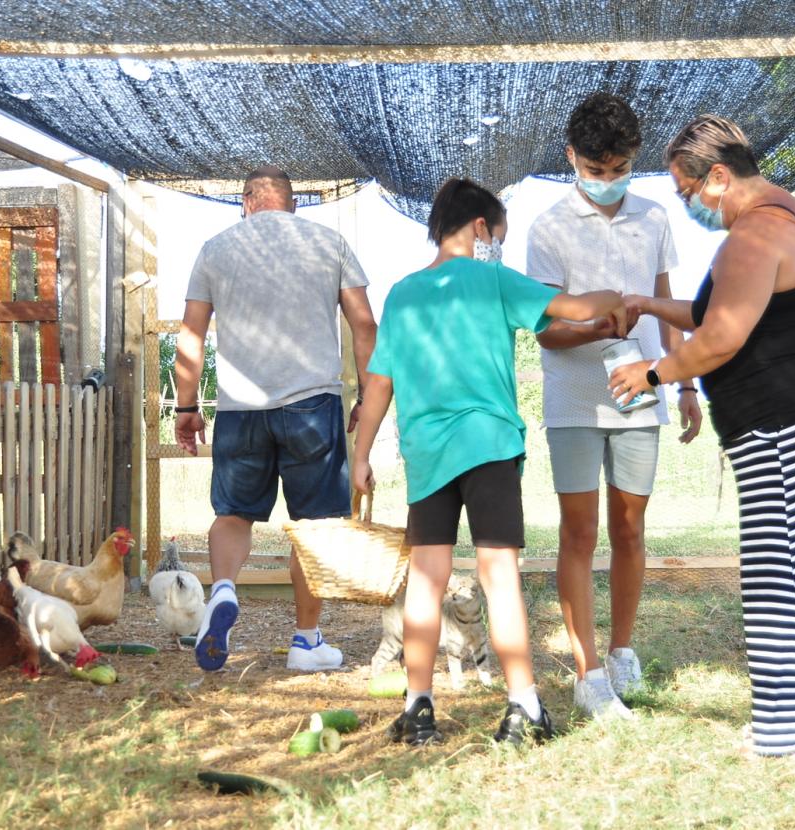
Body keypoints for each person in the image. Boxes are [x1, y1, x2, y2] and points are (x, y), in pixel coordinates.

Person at [352, 177, 628, 746]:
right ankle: (523, 704)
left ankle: (418, 706)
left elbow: (378, 382)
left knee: (426, 581)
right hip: (491, 444)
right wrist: (620, 299)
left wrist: (360, 455)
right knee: (499, 576)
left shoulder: (403, 292)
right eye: (496, 233)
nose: (496, 244)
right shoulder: (495, 278)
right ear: (480, 227)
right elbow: (573, 308)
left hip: (428, 452)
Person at [610, 115, 795, 759]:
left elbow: (722, 338)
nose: (687, 207)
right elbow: (722, 313)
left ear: (718, 176)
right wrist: (650, 306)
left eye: (687, 193)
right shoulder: (794, 219)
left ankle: (782, 733)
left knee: (779, 579)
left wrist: (652, 371)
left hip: (786, 426)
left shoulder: (755, 234)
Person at [525, 92, 702, 719]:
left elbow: (667, 302)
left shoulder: (655, 219)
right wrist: (601, 327)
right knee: (579, 533)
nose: (607, 181)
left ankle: (622, 651)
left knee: (629, 529)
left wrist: (682, 384)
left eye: (619, 168)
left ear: (634, 160)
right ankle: (588, 672)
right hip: (574, 399)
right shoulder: (547, 227)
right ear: (572, 157)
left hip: (642, 394)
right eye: (596, 171)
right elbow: (544, 329)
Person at [175, 165, 378, 673]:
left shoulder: (215, 249)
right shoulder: (329, 242)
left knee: (233, 514)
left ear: (246, 203)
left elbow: (191, 334)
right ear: (292, 203)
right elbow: (364, 322)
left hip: (241, 409)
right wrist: (369, 394)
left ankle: (222, 590)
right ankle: (306, 642)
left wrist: (185, 406)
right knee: (314, 528)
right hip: (312, 405)